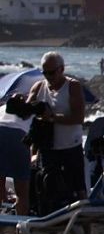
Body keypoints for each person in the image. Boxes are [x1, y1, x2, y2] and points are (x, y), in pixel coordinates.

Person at [26, 52, 87, 212]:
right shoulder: (39, 87)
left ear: (62, 69)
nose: (48, 76)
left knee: (79, 190)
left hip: (70, 147)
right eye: (44, 73)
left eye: (51, 72)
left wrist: (52, 117)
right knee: (48, 192)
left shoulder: (72, 86)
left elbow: (79, 117)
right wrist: (21, 104)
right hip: (48, 148)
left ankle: (86, 229)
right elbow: (26, 113)